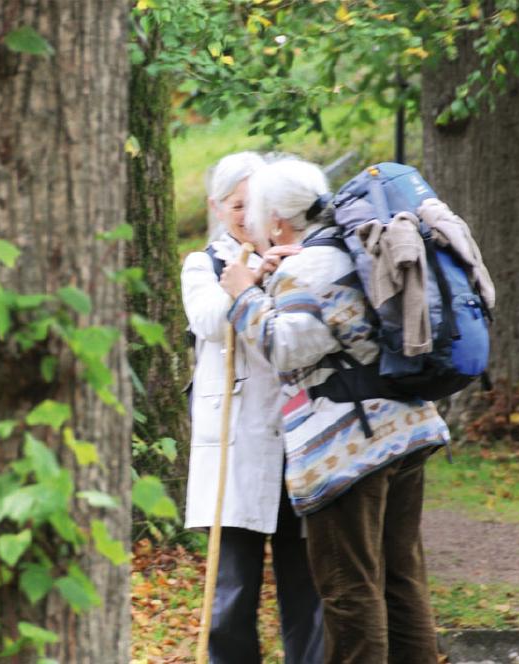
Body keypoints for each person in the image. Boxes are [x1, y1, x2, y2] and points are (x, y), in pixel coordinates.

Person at [218, 157, 450, 664]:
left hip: (349, 451)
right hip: (406, 430)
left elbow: (285, 347)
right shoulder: (349, 247)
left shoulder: (307, 267)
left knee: (350, 588)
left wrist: (242, 296)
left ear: (277, 219)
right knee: (400, 578)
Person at [182, 151, 324, 664]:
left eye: (256, 205)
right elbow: (208, 320)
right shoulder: (205, 263)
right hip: (235, 444)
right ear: (216, 207)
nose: (247, 216)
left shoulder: (298, 256)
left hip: (298, 438)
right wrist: (253, 280)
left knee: (306, 582)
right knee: (233, 588)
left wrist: (276, 270)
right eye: (237, 205)